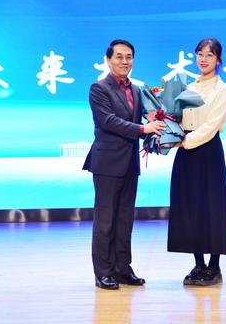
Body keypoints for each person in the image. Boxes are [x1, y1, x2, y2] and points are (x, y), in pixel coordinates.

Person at [83, 39, 166, 290]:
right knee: (105, 221)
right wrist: (143, 129)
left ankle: (122, 269)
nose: (124, 61)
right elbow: (108, 121)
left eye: (129, 57)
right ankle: (103, 272)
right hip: (107, 164)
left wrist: (158, 110)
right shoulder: (99, 88)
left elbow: (146, 117)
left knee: (124, 220)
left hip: (130, 163)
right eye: (119, 56)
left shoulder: (137, 90)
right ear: (108, 60)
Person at [168, 37, 226, 286]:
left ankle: (214, 266)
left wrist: (185, 141)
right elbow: (178, 118)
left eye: (209, 54)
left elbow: (211, 125)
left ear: (218, 60)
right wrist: (166, 126)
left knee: (212, 208)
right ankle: (198, 264)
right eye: (200, 54)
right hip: (185, 151)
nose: (203, 59)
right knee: (189, 207)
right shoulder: (186, 87)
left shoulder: (223, 89)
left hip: (207, 151)